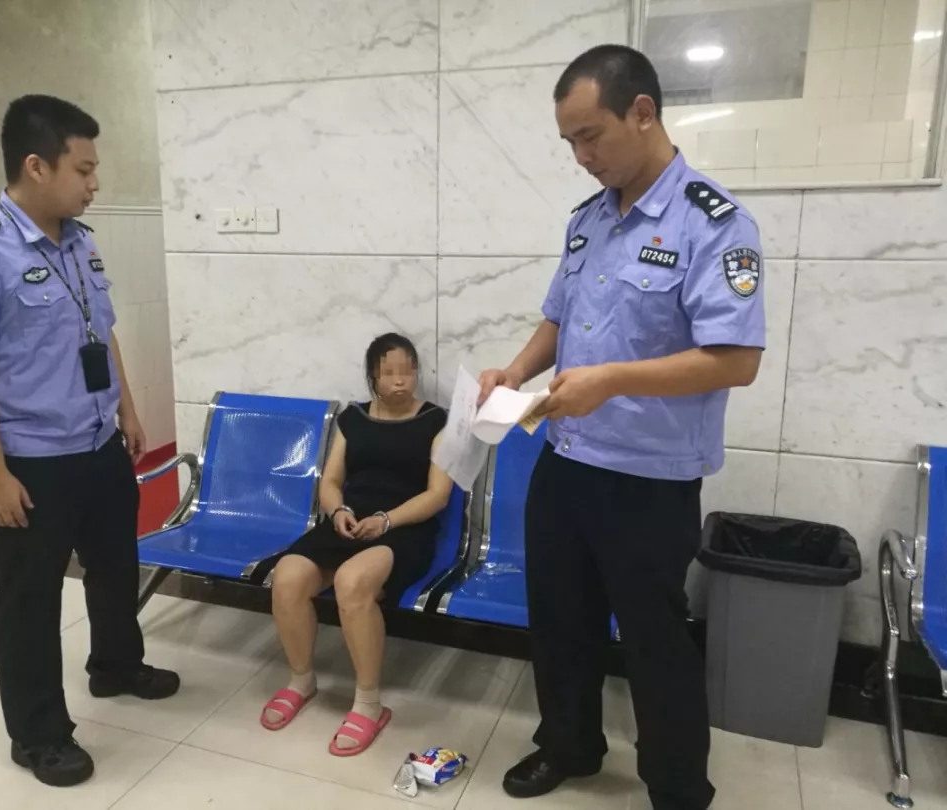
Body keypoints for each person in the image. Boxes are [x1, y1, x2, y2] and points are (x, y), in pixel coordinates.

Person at [477, 45, 766, 810]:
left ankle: (677, 788)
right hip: (566, 459)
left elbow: (736, 360)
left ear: (642, 112)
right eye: (569, 141)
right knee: (559, 621)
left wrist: (611, 381)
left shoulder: (715, 224)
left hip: (649, 478)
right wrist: (515, 373)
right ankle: (568, 745)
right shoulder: (590, 220)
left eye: (590, 135)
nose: (581, 157)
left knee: (654, 641)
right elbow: (559, 315)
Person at [0, 95, 180, 788]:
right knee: (30, 598)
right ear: (36, 166)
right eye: (84, 169)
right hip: (32, 461)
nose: (95, 183)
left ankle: (116, 665)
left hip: (98, 444)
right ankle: (38, 734)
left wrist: (127, 410)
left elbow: (101, 331)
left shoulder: (80, 241)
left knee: (115, 565)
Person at [259, 333, 452, 756]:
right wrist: (338, 511)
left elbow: (438, 495)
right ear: (372, 377)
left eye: (408, 371)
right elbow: (330, 481)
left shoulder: (436, 420)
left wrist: (387, 520)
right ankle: (301, 681)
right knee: (288, 576)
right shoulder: (353, 418)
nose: (400, 381)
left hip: (406, 525)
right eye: (389, 373)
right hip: (351, 519)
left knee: (352, 581)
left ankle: (368, 703)